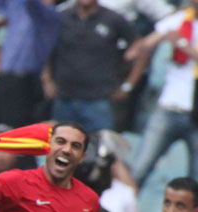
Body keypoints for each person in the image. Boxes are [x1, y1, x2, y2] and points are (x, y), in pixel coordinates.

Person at [130, 0, 198, 189]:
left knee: (196, 178)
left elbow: (184, 46)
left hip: (195, 113)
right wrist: (140, 47)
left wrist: (183, 43)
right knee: (139, 168)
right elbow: (148, 43)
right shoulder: (179, 20)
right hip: (169, 107)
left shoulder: (181, 35)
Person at [46, 0, 142, 133]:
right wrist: (47, 80)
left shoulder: (113, 19)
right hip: (64, 97)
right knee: (61, 148)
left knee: (100, 148)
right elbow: (46, 49)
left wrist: (128, 85)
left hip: (98, 100)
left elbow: (141, 49)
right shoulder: (62, 17)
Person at [0, 0, 60, 128]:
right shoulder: (18, 8)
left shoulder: (50, 14)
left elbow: (33, 5)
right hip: (5, 78)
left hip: (26, 82)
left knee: (16, 131)